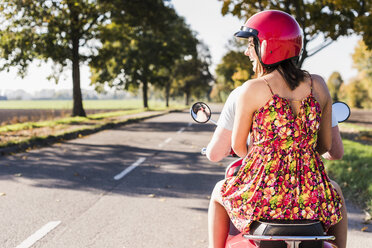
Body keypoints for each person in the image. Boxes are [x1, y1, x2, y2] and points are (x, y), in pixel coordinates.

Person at [207, 10, 346, 248]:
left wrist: (265, 154)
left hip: (263, 198)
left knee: (219, 191)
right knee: (337, 194)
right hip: (309, 196)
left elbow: (240, 148)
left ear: (267, 47)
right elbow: (324, 146)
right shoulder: (319, 85)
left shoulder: (252, 89)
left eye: (251, 44)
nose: (246, 51)